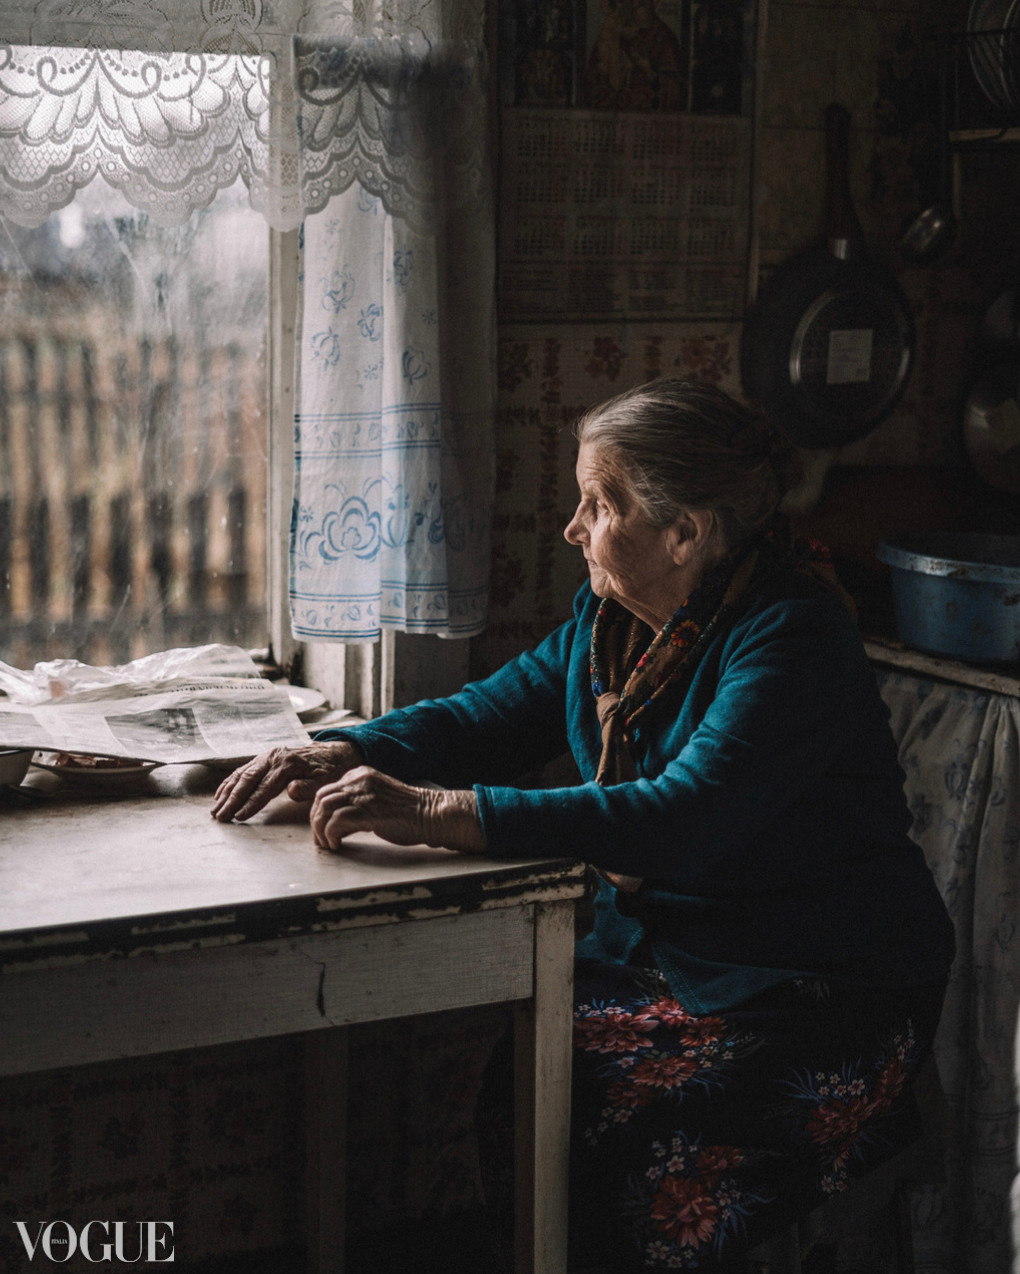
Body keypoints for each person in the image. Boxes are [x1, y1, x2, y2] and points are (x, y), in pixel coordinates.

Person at [211, 378, 955, 1271]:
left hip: (814, 983)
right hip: (680, 959)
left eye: (599, 504)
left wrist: (443, 813)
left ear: (686, 532)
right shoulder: (609, 626)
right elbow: (484, 718)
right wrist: (344, 748)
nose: (572, 528)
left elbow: (682, 817)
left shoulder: (791, 638)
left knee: (623, 1137)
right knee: (527, 1085)